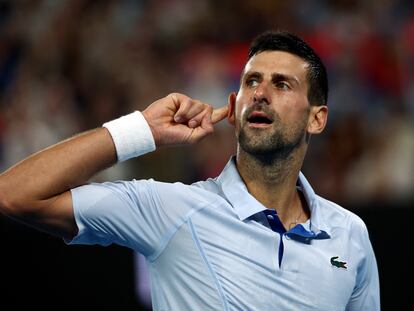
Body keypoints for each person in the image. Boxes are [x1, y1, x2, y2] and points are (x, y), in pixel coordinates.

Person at [0, 31, 379, 310]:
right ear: (234, 107)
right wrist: (141, 131)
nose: (260, 93)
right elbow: (13, 194)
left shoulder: (350, 235)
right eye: (251, 82)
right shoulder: (168, 209)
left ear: (317, 119)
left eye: (282, 84)